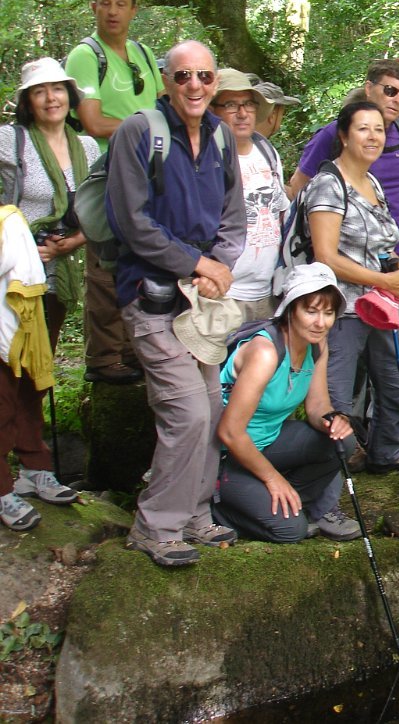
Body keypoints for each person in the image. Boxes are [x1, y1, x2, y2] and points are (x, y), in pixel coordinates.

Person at [108, 40, 245, 567]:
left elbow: (233, 215)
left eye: (205, 77)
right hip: (151, 296)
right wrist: (197, 264)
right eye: (184, 76)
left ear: (216, 83)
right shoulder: (139, 133)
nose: (195, 86)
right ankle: (154, 525)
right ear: (166, 81)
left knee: (211, 406)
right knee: (186, 411)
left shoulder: (220, 137)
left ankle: (193, 512)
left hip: (201, 301)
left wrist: (222, 265)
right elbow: (131, 221)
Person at [305, 100, 399, 473]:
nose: (373, 136)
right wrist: (385, 279)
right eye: (363, 128)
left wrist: (395, 267)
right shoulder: (328, 185)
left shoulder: (372, 181)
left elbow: (376, 244)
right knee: (337, 392)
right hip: (341, 307)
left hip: (379, 304)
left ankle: (388, 448)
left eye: (379, 129)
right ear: (343, 135)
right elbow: (326, 256)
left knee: (397, 375)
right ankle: (331, 464)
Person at [65, 0, 166, 386]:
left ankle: (132, 350)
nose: (112, 11)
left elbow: (162, 107)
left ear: (133, 10)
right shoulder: (85, 56)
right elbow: (91, 121)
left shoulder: (142, 53)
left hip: (149, 172)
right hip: (109, 173)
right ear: (93, 8)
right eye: (105, 3)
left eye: (121, 4)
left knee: (143, 258)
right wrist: (144, 129)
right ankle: (103, 357)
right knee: (105, 262)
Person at [214, 263, 361, 543]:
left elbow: (317, 406)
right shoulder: (266, 352)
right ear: (291, 309)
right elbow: (230, 432)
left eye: (328, 313)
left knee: (343, 441)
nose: (321, 322)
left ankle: (286, 503)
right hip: (227, 457)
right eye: (311, 311)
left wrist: (333, 420)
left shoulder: (316, 345)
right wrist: (273, 479)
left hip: (268, 442)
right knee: (290, 531)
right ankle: (217, 509)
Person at [0, 59, 100, 349]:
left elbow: (99, 210)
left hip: (57, 276)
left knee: (40, 363)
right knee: (8, 362)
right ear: (28, 103)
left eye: (58, 89)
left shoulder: (87, 147)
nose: (50, 98)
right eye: (39, 91)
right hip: (12, 273)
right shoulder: (11, 139)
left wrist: (72, 242)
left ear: (69, 96)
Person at [289, 60, 399, 261]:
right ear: (369, 88)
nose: (397, 100)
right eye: (390, 91)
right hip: (351, 255)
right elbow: (299, 187)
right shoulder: (333, 134)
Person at [0, 205, 78, 532]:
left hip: (18, 317)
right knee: (1, 402)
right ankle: (2, 489)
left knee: (30, 389)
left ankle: (34, 469)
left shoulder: (9, 218)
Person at [212, 69, 288, 323]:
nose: (242, 113)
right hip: (223, 292)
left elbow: (280, 212)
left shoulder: (267, 151)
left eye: (248, 104)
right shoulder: (207, 157)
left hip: (266, 291)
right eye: (231, 105)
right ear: (212, 110)